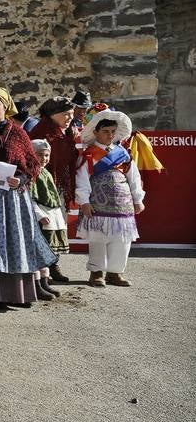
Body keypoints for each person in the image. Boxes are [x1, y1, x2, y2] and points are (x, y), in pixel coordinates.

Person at [0, 87, 58, 307]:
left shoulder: (18, 133)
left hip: (15, 198)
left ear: (6, 106)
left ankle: (20, 294)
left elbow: (33, 165)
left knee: (19, 241)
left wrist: (22, 179)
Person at [76, 109, 145, 288]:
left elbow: (134, 177)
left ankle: (115, 273)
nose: (110, 135)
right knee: (98, 238)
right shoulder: (89, 154)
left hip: (123, 204)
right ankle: (96, 272)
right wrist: (84, 201)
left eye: (113, 131)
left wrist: (138, 198)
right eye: (106, 131)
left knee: (122, 239)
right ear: (96, 132)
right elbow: (82, 179)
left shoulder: (123, 154)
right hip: (97, 204)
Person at [30, 97, 82, 275]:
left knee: (57, 226)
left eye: (72, 114)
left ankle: (54, 262)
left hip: (58, 185)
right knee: (44, 226)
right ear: (53, 115)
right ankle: (45, 267)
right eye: (66, 114)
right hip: (41, 186)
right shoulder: (42, 132)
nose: (70, 118)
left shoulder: (66, 133)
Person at [28, 140, 69, 300]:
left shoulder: (45, 172)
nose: (44, 158)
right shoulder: (32, 172)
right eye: (39, 155)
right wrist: (39, 215)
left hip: (51, 215)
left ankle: (45, 281)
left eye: (46, 155)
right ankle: (37, 284)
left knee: (47, 250)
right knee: (39, 251)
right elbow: (30, 198)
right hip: (41, 215)